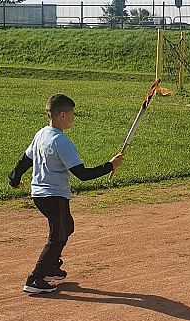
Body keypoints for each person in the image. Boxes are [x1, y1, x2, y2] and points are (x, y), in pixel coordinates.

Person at [8, 94, 123, 294]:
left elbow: (25, 159)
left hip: (41, 194)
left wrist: (14, 178)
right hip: (53, 195)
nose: (73, 118)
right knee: (57, 235)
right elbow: (82, 174)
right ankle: (35, 278)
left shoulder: (41, 134)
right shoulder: (61, 141)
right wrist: (110, 165)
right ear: (62, 115)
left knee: (66, 227)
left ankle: (51, 267)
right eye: (72, 114)